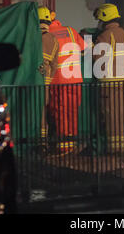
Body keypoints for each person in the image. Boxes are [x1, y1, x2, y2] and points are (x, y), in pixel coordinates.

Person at [48, 11, 87, 153]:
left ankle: (64, 146)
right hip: (75, 80)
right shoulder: (70, 30)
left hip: (58, 80)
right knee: (72, 111)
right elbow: (83, 49)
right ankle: (72, 142)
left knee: (60, 112)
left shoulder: (47, 34)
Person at [93, 3, 124, 154]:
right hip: (121, 82)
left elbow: (97, 59)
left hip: (107, 83)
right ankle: (123, 147)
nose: (99, 23)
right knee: (120, 115)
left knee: (109, 116)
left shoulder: (104, 36)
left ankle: (112, 150)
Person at [38, 6, 59, 145]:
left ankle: (38, 142)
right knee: (43, 112)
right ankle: (43, 142)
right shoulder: (54, 40)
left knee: (36, 111)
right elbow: (54, 65)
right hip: (46, 83)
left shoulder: (34, 38)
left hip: (34, 81)